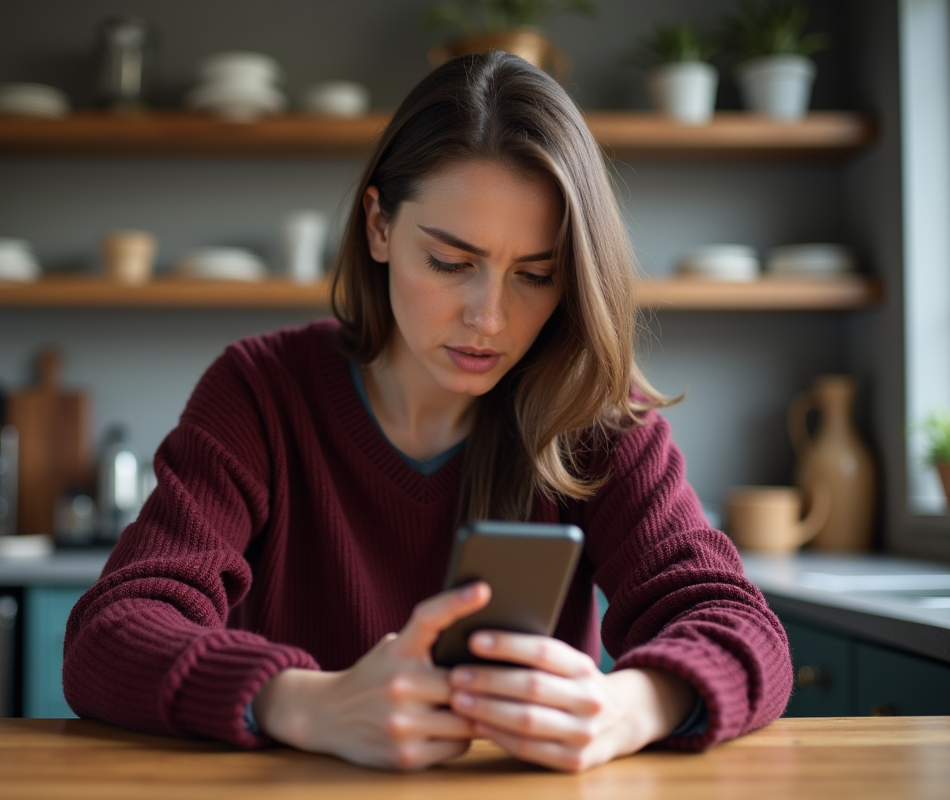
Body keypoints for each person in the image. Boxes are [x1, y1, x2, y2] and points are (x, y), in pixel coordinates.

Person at [62, 51, 792, 773]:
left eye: (536, 275)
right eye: (449, 263)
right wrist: (307, 703)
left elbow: (741, 628)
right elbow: (110, 634)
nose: (489, 319)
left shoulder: (596, 417)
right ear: (379, 226)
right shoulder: (260, 392)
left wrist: (629, 707)